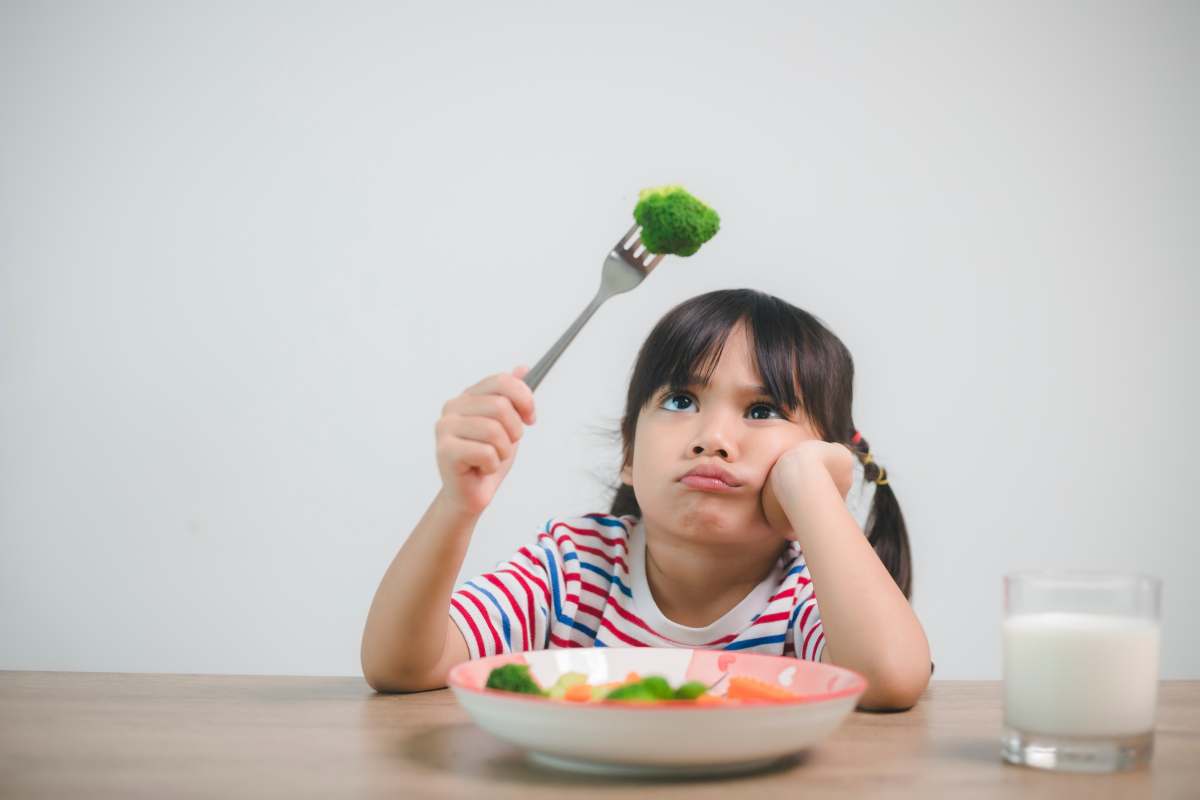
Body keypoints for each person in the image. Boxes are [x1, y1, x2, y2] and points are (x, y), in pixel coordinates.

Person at [361, 289, 932, 710]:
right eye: (682, 401)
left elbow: (889, 680)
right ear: (629, 453)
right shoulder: (574, 567)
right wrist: (457, 505)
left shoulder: (808, 592)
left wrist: (811, 488)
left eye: (762, 412)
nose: (712, 437)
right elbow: (402, 666)